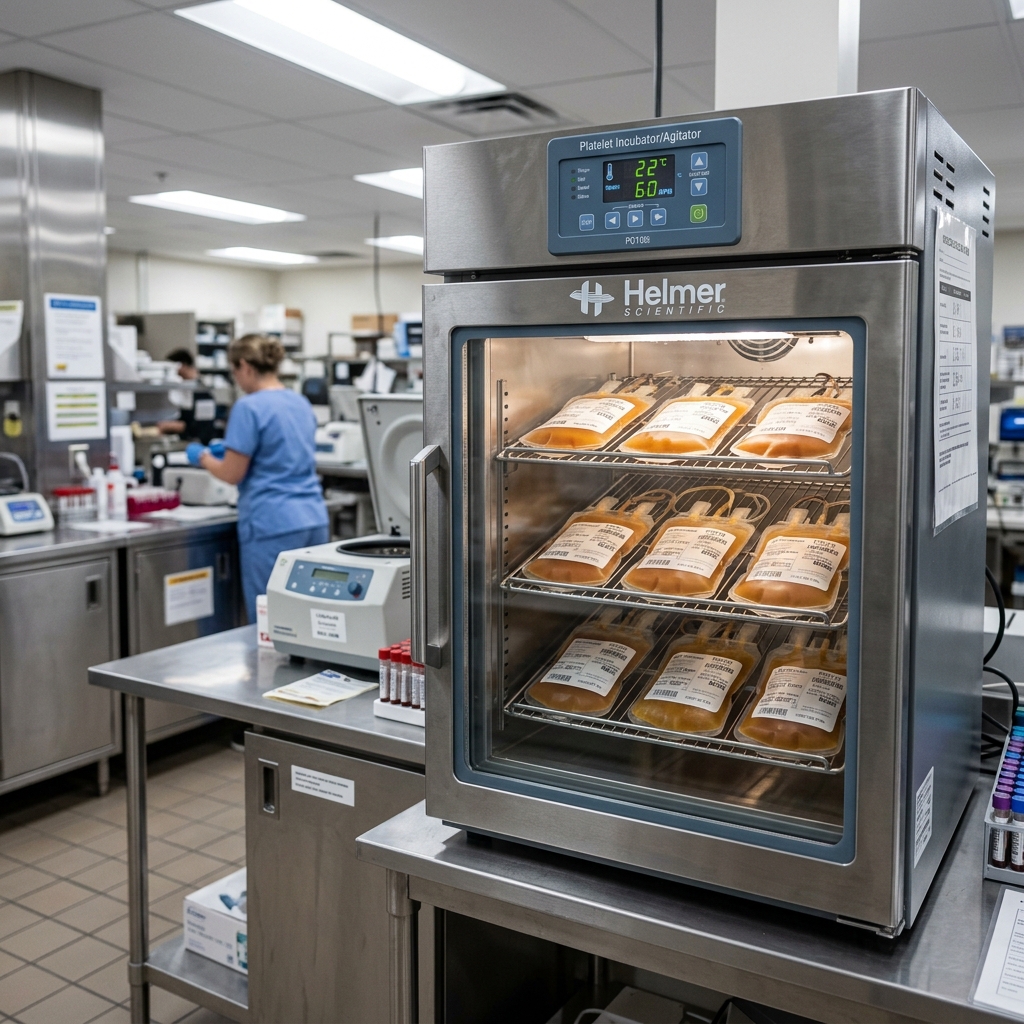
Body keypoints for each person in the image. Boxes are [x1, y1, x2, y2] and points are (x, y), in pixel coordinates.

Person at [188, 334, 328, 621]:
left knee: (272, 619)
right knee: (311, 616)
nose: (236, 379)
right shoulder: (299, 402)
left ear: (245, 366)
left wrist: (203, 457)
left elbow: (231, 473)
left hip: (272, 524)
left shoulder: (248, 407)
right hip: (313, 519)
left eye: (234, 372)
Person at [158, 348, 222, 445]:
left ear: (183, 366)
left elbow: (203, 427)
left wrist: (177, 426)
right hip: (186, 441)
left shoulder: (202, 392)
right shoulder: (186, 388)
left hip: (199, 446)